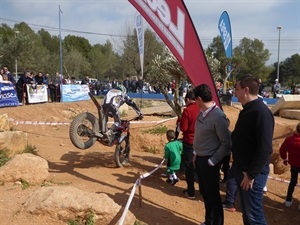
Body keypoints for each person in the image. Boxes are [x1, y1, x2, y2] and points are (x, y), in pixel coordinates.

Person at [231, 74, 274, 225]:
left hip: (251, 174)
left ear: (246, 90)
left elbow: (265, 148)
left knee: (254, 215)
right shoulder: (247, 110)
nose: (234, 92)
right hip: (242, 169)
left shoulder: (261, 112)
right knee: (247, 213)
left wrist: (251, 174)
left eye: (236, 88)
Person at [193, 84, 231, 225]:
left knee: (213, 196)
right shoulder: (201, 113)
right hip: (200, 159)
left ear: (199, 99)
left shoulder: (218, 117)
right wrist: (196, 154)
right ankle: (208, 221)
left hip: (210, 162)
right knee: (205, 193)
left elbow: (226, 143)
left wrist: (212, 161)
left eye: (195, 99)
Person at [180, 90, 200, 199]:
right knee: (200, 164)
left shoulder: (187, 111)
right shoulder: (201, 108)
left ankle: (191, 191)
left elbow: (183, 128)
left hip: (189, 141)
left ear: (187, 99)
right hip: (201, 142)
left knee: (189, 166)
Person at [279, 122, 300, 208]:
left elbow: (282, 150)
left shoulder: (289, 139)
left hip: (294, 165)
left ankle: (288, 200)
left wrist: (285, 158)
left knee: (292, 182)